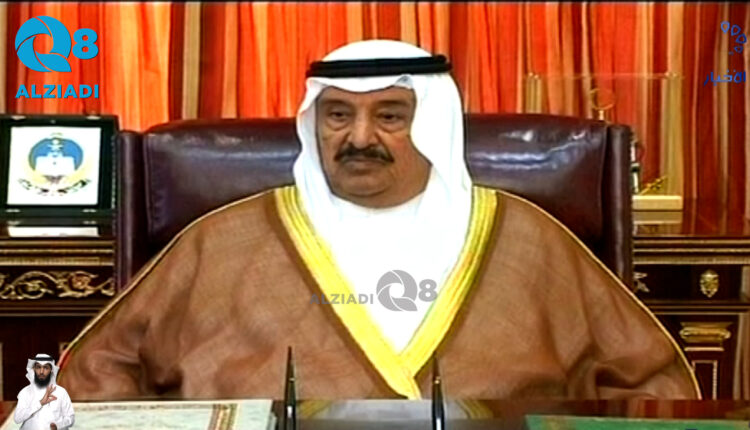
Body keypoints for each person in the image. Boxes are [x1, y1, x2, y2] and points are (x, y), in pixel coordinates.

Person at [57, 40, 700, 402]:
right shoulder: (220, 240)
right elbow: (93, 378)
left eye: (390, 116)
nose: (359, 137)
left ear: (433, 124)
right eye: (338, 115)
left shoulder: (528, 238)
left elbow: (650, 386)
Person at [14, 354, 75, 430]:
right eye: (38, 367)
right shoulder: (25, 392)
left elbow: (71, 418)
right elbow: (17, 419)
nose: (41, 372)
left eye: (46, 368)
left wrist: (58, 425)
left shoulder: (61, 392)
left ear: (51, 370)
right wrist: (40, 403)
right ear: (33, 369)